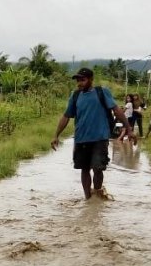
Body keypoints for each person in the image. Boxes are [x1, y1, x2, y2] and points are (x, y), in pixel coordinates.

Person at [51, 67, 136, 200]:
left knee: (98, 168)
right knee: (84, 169)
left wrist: (129, 129)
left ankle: (97, 193)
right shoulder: (75, 95)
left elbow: (117, 110)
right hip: (81, 139)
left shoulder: (102, 92)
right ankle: (88, 199)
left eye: (83, 80)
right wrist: (56, 135)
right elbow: (66, 116)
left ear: (91, 79)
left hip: (100, 138)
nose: (79, 83)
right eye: (78, 80)